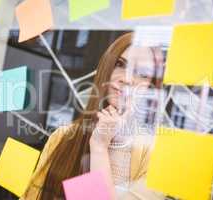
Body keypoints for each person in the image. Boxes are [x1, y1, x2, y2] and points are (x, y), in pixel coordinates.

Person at [20, 33, 165, 200]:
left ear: (151, 87)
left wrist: (99, 147)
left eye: (143, 73)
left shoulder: (155, 156)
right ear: (106, 67)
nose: (126, 79)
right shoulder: (63, 136)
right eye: (120, 64)